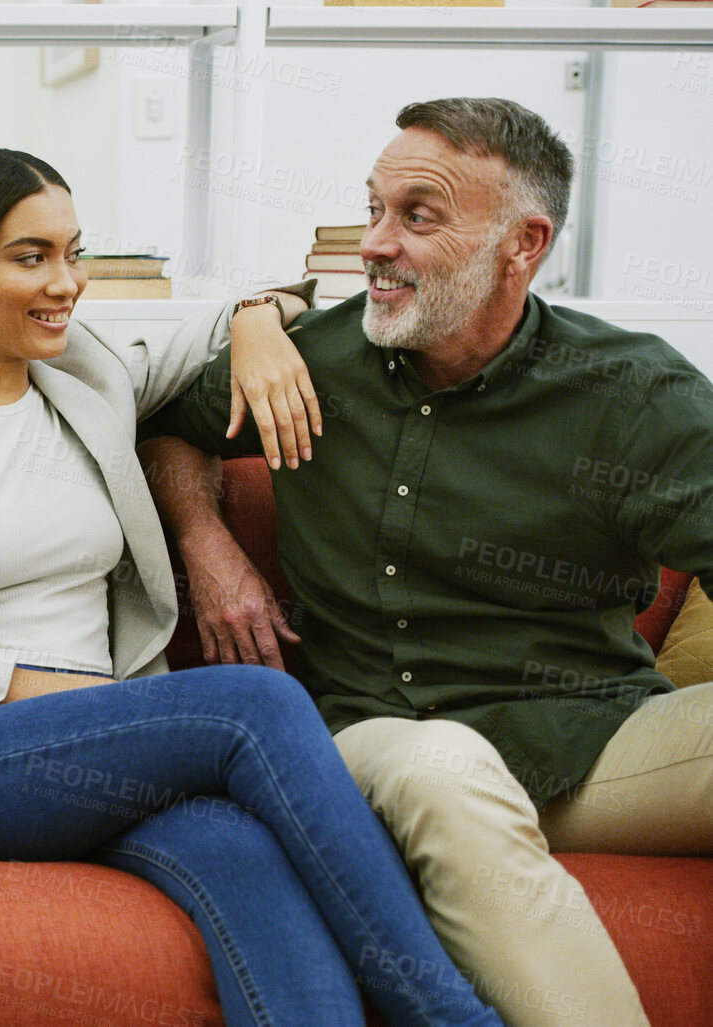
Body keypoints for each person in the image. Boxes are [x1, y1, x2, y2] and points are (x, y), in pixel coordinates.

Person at [0, 145, 500, 1027]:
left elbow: (236, 320)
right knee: (256, 705)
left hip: (109, 753)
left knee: (247, 858)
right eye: (30, 257)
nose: (65, 282)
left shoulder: (88, 376)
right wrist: (97, 699)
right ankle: (448, 1015)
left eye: (73, 252)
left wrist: (256, 317)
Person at [142, 96, 713, 1027]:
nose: (373, 243)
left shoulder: (634, 393)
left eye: (416, 216)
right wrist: (209, 547)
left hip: (590, 742)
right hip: (381, 734)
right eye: (372, 209)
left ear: (522, 243)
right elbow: (168, 427)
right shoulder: (308, 362)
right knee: (444, 767)